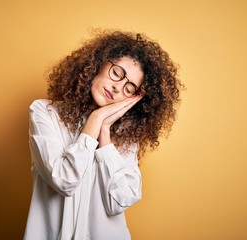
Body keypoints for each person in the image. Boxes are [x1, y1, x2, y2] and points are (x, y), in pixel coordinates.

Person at [24, 30, 183, 240]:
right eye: (117, 73)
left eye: (129, 88)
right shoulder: (45, 113)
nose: (118, 88)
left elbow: (119, 202)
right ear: (98, 63)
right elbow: (64, 180)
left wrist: (105, 133)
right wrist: (95, 120)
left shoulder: (127, 138)